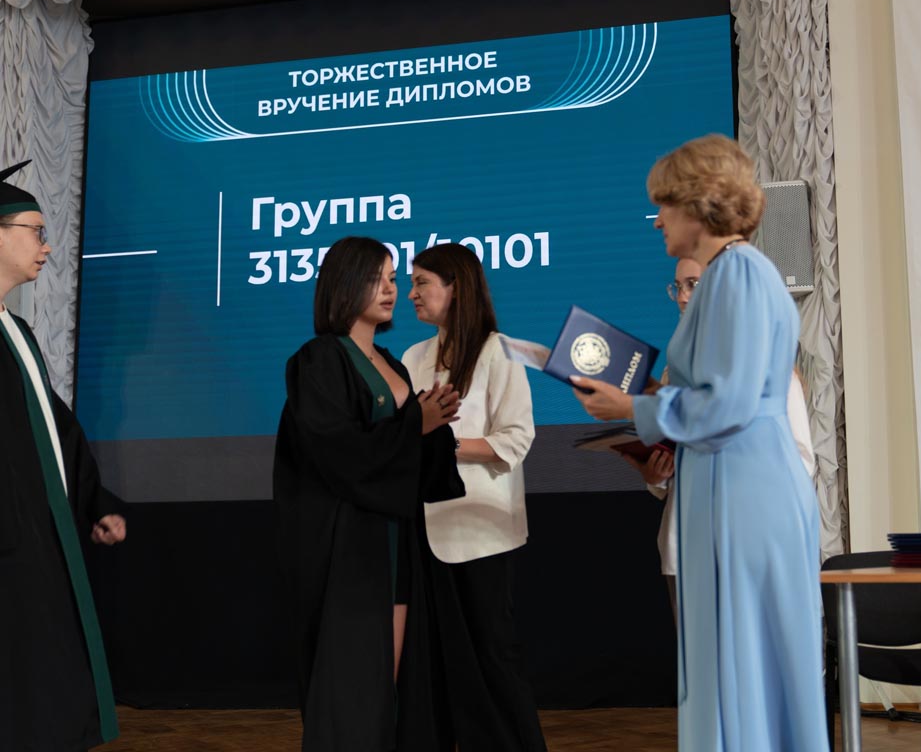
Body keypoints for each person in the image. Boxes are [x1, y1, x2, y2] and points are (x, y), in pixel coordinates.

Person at [572, 135, 825, 751]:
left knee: (742, 669)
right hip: (732, 489)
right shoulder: (736, 277)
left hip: (746, 494)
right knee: (736, 670)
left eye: (664, 205)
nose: (657, 219)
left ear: (698, 203)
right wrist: (648, 400)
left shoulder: (736, 274)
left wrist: (631, 408)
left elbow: (730, 403)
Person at [273, 236, 464, 752]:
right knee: (353, 687)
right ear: (344, 283)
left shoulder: (392, 363)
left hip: (396, 543)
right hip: (347, 550)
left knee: (391, 682)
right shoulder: (318, 360)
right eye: (377, 278)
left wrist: (434, 423)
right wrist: (415, 424)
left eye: (393, 279)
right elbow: (336, 450)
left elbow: (411, 457)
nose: (391, 289)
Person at [0, 160, 127, 750]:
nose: (47, 246)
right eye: (36, 231)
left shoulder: (18, 333)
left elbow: (59, 432)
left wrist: (96, 500)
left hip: (35, 542)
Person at [401, 242, 546, 752]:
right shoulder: (412, 357)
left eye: (421, 282)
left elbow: (516, 439)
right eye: (410, 283)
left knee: (493, 658)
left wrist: (444, 444)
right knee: (440, 664)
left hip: (483, 532)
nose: (411, 294)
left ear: (456, 288)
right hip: (426, 530)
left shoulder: (498, 350)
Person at [624, 257, 818, 629]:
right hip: (685, 551)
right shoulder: (673, 374)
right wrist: (657, 475)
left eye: (693, 284)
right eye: (678, 287)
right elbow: (669, 471)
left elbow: (800, 464)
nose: (683, 297)